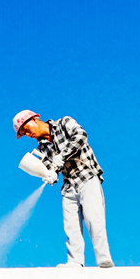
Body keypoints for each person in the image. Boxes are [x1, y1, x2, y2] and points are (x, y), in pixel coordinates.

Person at [13, 109, 114, 268]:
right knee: (70, 225)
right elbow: (49, 168)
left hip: (86, 175)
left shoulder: (64, 123)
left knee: (93, 218)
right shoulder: (42, 149)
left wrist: (62, 156)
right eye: (24, 133)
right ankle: (75, 262)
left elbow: (81, 136)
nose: (27, 134)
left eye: (26, 129)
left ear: (34, 120)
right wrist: (49, 175)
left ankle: (103, 259)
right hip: (68, 184)